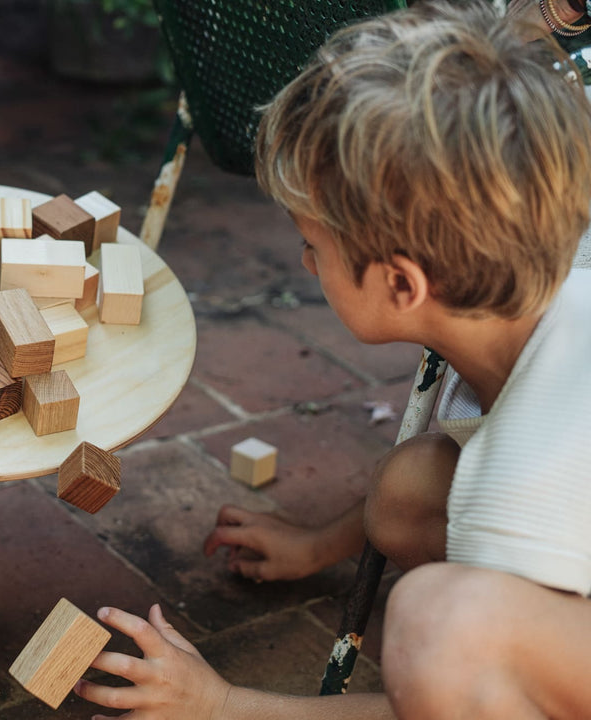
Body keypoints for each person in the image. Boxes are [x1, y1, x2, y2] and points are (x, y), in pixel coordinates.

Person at [73, 2, 591, 718]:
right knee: (409, 485)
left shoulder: (526, 485)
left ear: (401, 285)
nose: (305, 260)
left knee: (441, 630)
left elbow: (423, 700)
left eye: (314, 246)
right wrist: (320, 544)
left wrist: (221, 705)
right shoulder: (543, 309)